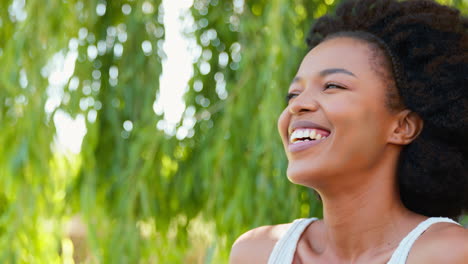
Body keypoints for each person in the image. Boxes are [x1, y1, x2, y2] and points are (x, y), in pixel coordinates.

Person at [229, 0, 468, 263]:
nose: (297, 105)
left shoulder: (448, 253)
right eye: (293, 93)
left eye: (332, 86)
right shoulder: (255, 253)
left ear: (402, 127)